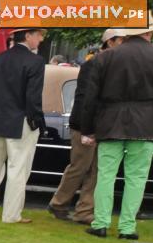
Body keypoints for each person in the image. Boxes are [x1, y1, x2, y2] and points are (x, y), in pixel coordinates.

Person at [78, 23, 153, 240]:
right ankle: (127, 227)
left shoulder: (105, 57)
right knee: (137, 178)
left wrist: (87, 129)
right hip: (146, 125)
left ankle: (100, 223)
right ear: (149, 32)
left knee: (106, 176)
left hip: (110, 123)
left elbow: (90, 98)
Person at [48, 29, 123, 226]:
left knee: (95, 169)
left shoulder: (104, 63)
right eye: (122, 40)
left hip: (97, 124)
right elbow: (86, 98)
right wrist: (86, 128)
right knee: (80, 167)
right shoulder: (95, 64)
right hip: (86, 124)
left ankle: (84, 210)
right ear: (111, 42)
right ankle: (59, 203)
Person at [0, 27, 45, 224]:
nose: (40, 39)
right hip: (20, 120)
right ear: (28, 35)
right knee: (18, 169)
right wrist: (37, 121)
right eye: (38, 35)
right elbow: (33, 97)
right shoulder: (35, 61)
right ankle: (11, 214)